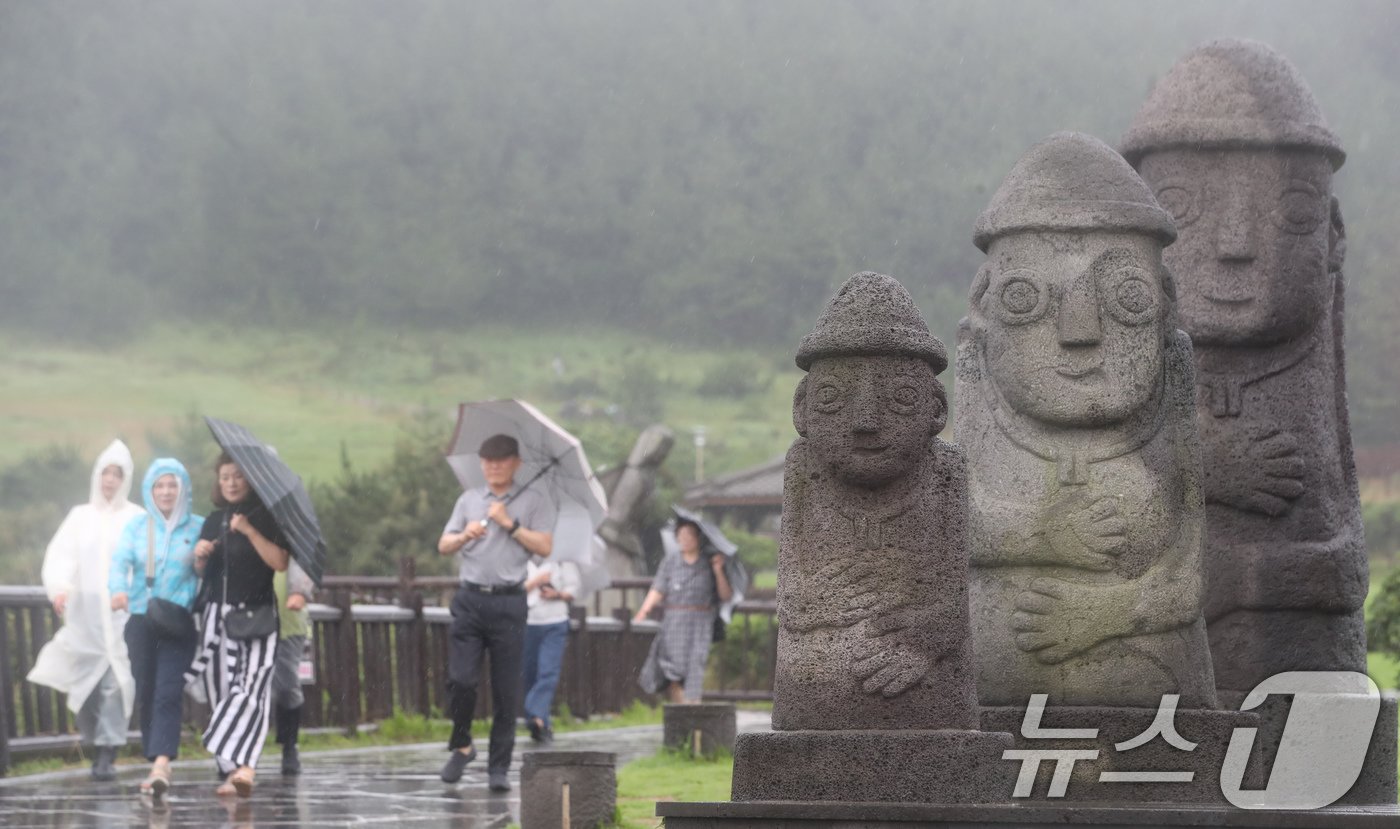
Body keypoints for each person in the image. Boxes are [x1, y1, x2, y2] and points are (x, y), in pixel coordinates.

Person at [437, 434, 555, 792]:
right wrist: (464, 537)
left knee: (506, 690)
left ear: (516, 463)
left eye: (501, 460)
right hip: (470, 599)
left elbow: (545, 547)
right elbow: (443, 544)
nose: (493, 467)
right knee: (462, 680)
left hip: (509, 601)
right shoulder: (469, 500)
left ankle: (498, 767)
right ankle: (462, 743)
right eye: (487, 461)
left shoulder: (535, 500)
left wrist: (510, 524)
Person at [28, 440, 145, 782]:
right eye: (105, 473)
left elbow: (145, 563)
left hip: (122, 615)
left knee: (116, 682)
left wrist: (135, 595)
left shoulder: (136, 518)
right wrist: (60, 588)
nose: (110, 480)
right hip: (85, 617)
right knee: (88, 685)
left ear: (125, 478)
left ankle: (107, 752)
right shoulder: (79, 517)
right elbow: (60, 557)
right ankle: (95, 743)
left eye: (116, 474)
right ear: (97, 476)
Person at [186, 452, 290, 798]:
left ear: (250, 481)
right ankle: (231, 770)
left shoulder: (267, 518)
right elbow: (204, 573)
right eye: (225, 477)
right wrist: (200, 556)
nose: (230, 483)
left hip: (258, 616)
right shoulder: (213, 521)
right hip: (218, 616)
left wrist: (247, 530)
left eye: (238, 477)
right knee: (221, 690)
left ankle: (247, 766)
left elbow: (279, 562)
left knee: (252, 688)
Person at [107, 458, 203, 800]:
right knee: (146, 688)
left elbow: (208, 577)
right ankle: (155, 757)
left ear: (184, 489)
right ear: (149, 490)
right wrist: (117, 590)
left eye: (172, 485)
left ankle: (162, 762)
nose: (166, 492)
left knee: (167, 690)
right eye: (159, 485)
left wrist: (203, 561)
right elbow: (118, 562)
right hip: (140, 620)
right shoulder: (137, 527)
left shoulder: (198, 528)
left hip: (177, 622)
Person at [633, 519, 732, 703]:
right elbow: (658, 588)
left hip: (700, 622)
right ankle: (681, 709)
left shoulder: (708, 562)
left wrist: (718, 570)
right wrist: (645, 610)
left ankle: (694, 707)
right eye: (681, 535)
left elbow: (725, 595)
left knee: (695, 664)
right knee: (674, 666)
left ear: (698, 538)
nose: (684, 539)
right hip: (674, 620)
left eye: (689, 535)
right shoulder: (670, 561)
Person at [522, 557, 581, 743]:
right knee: (530, 674)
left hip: (555, 622)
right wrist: (535, 582)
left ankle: (535, 715)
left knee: (548, 671)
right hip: (527, 622)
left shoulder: (563, 559)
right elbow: (511, 591)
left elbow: (574, 589)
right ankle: (542, 724)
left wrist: (557, 594)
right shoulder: (519, 556)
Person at [271, 559, 314, 775]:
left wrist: (301, 591)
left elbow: (308, 563)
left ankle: (289, 745)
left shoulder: (295, 533)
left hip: (289, 624)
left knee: (287, 687)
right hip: (251, 620)